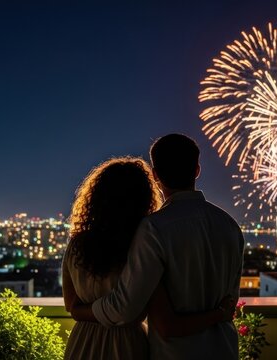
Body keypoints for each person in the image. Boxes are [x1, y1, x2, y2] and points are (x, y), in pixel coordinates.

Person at [71, 134, 245, 359]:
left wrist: (80, 311)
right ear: (197, 170)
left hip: (174, 354)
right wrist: (218, 313)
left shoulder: (154, 228)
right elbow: (229, 303)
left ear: (155, 175)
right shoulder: (230, 226)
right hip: (224, 351)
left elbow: (125, 307)